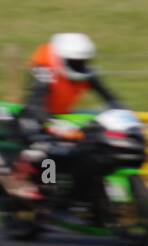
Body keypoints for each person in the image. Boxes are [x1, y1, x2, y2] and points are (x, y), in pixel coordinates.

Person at [2, 33, 122, 201]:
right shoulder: (44, 70)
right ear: (60, 59)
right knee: (45, 152)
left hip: (65, 119)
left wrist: (121, 111)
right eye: (74, 62)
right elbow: (35, 101)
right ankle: (46, 187)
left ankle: (89, 189)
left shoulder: (86, 72)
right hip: (38, 120)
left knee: (92, 145)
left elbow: (109, 97)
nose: (80, 66)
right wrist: (48, 124)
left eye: (83, 62)